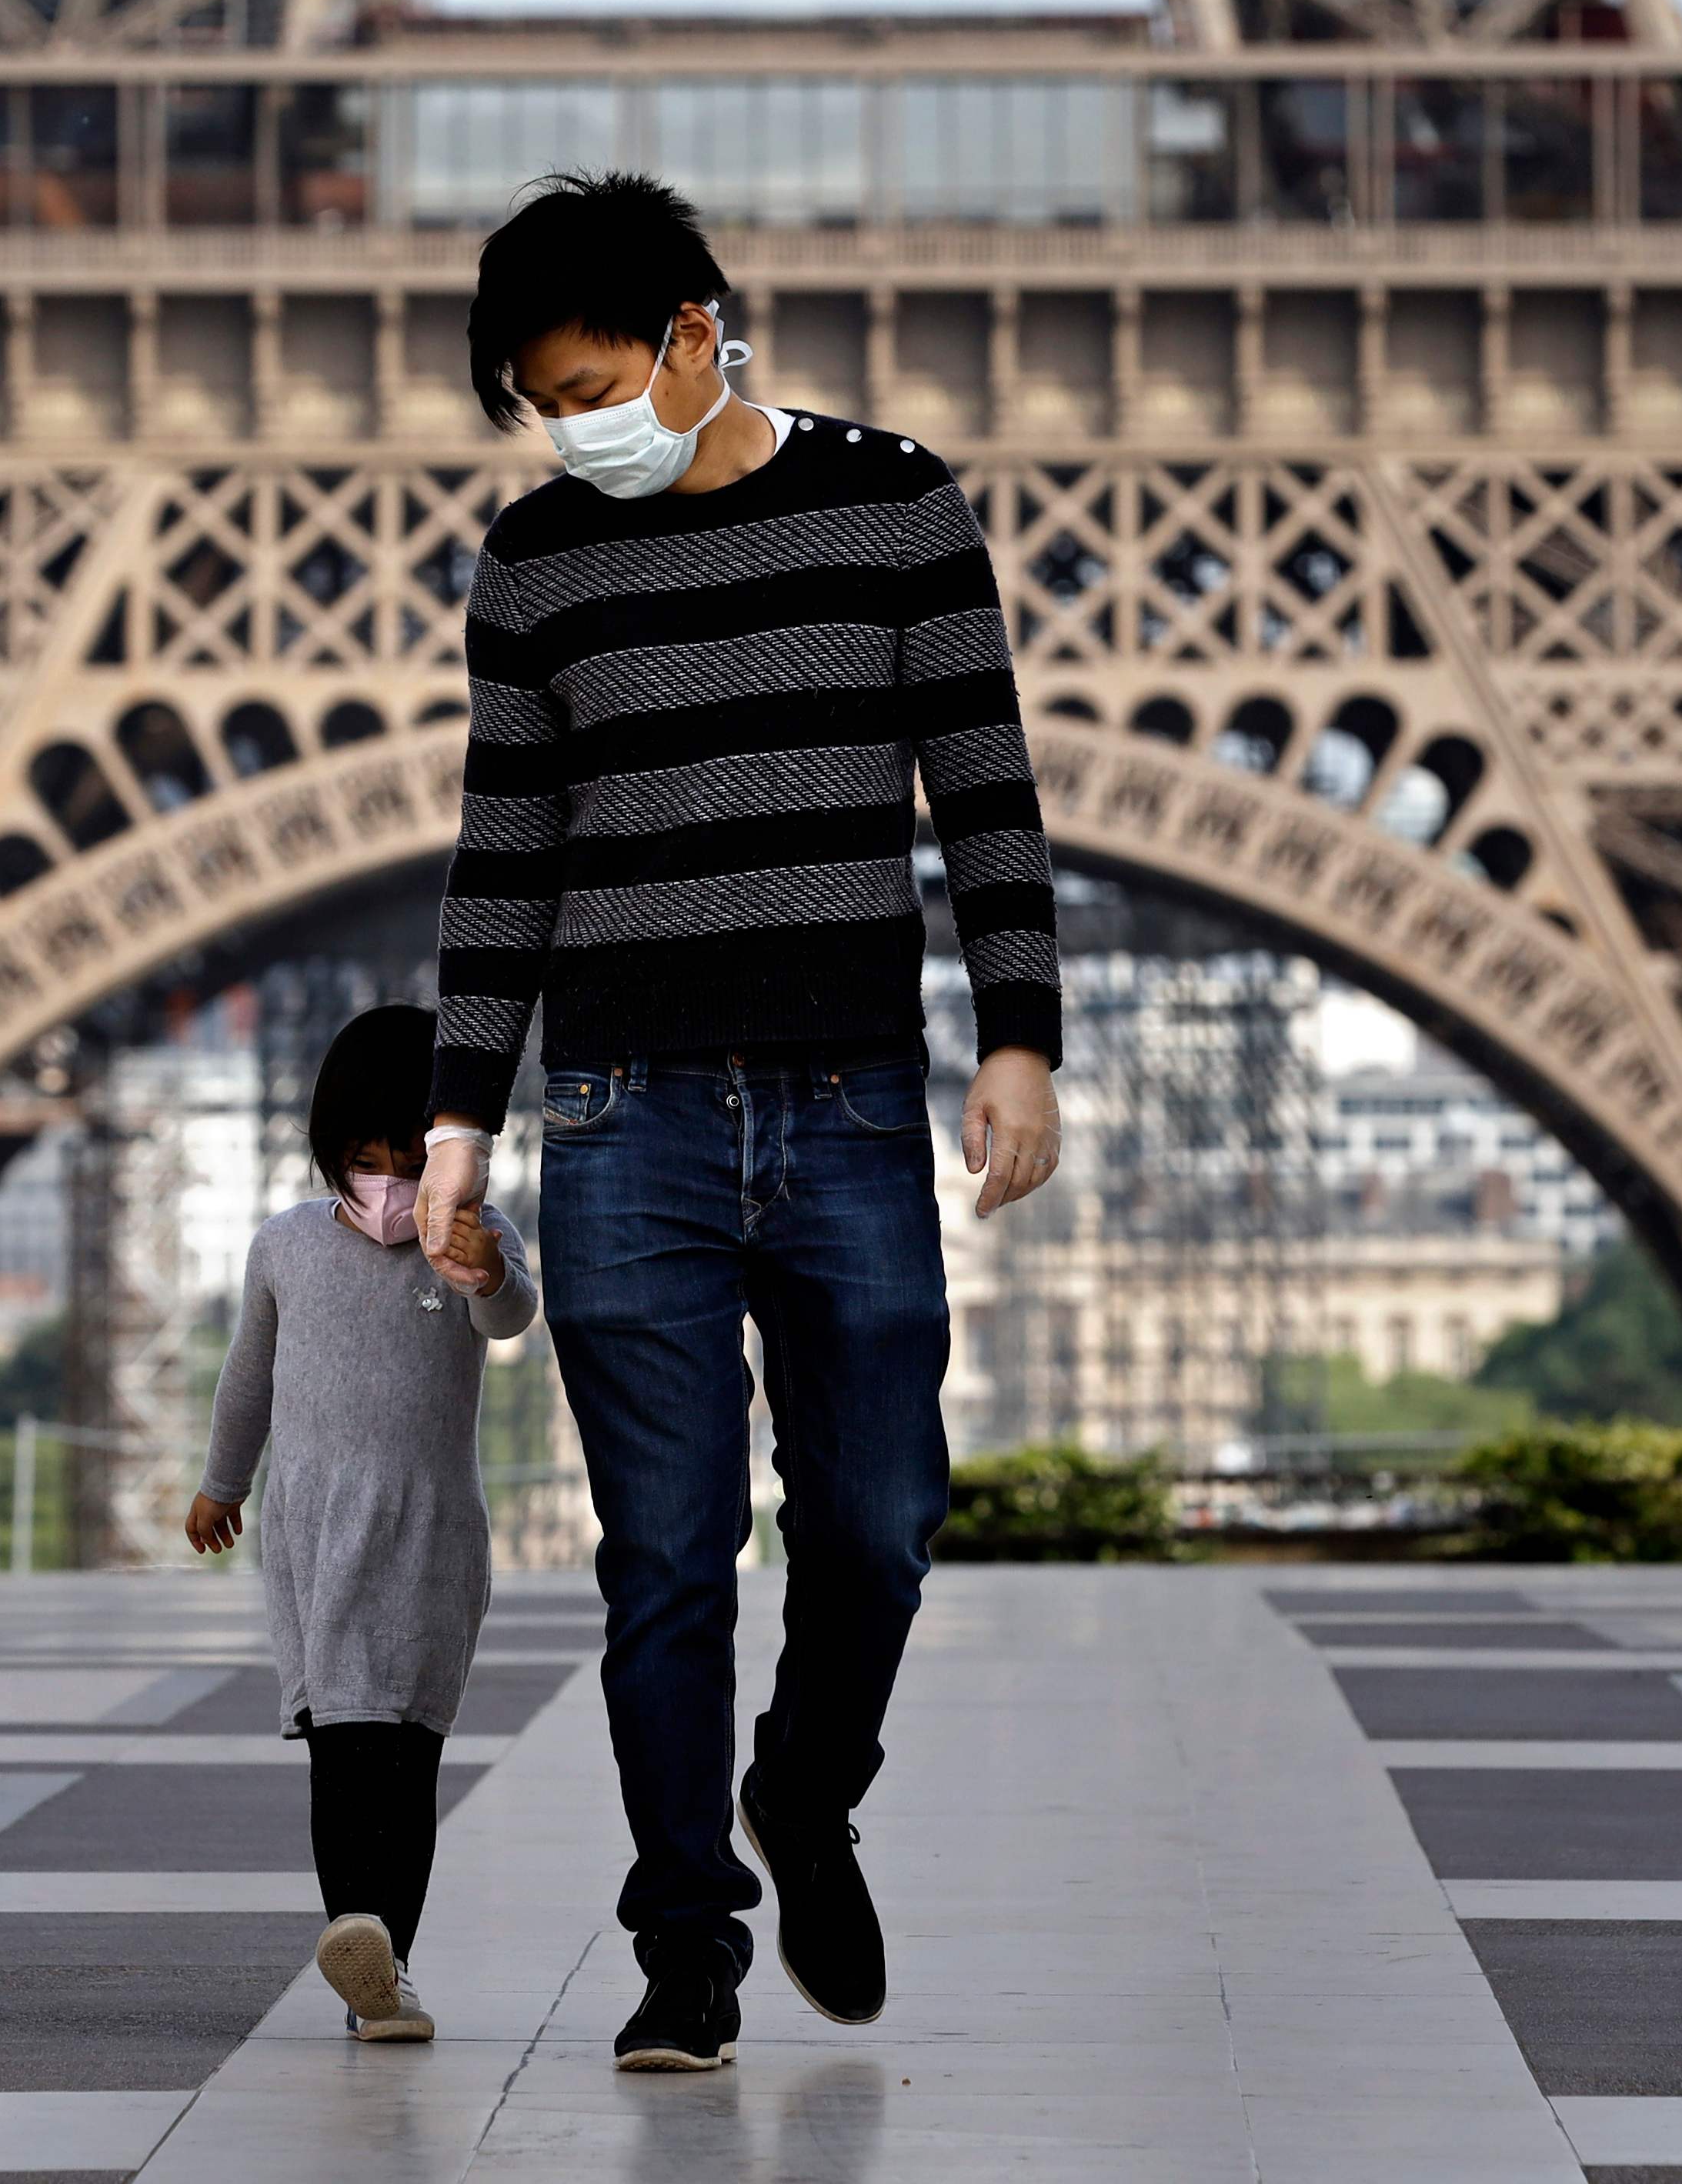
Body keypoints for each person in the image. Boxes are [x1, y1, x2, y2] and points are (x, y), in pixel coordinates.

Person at [411, 171, 1064, 2076]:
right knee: (665, 1556)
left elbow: (987, 794)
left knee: (875, 1523)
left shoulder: (893, 503)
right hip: (621, 1116)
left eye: (596, 380)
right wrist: (459, 1126)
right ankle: (684, 1937)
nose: (571, 427)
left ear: (700, 335)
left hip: (853, 1098)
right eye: (544, 403)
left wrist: (1015, 1043)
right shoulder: (535, 565)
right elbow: (502, 857)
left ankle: (806, 1785)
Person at [189, 1002, 541, 2048]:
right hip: (316, 1533)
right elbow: (246, 1378)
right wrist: (221, 1481)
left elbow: (511, 1313)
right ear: (331, 1148)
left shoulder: (478, 1238)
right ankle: (359, 1930)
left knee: (411, 1756)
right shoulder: (285, 1245)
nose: (388, 1174)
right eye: (365, 1152)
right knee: (343, 1745)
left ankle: (389, 1961)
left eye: (406, 1150)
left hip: (433, 1533)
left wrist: (481, 1267)